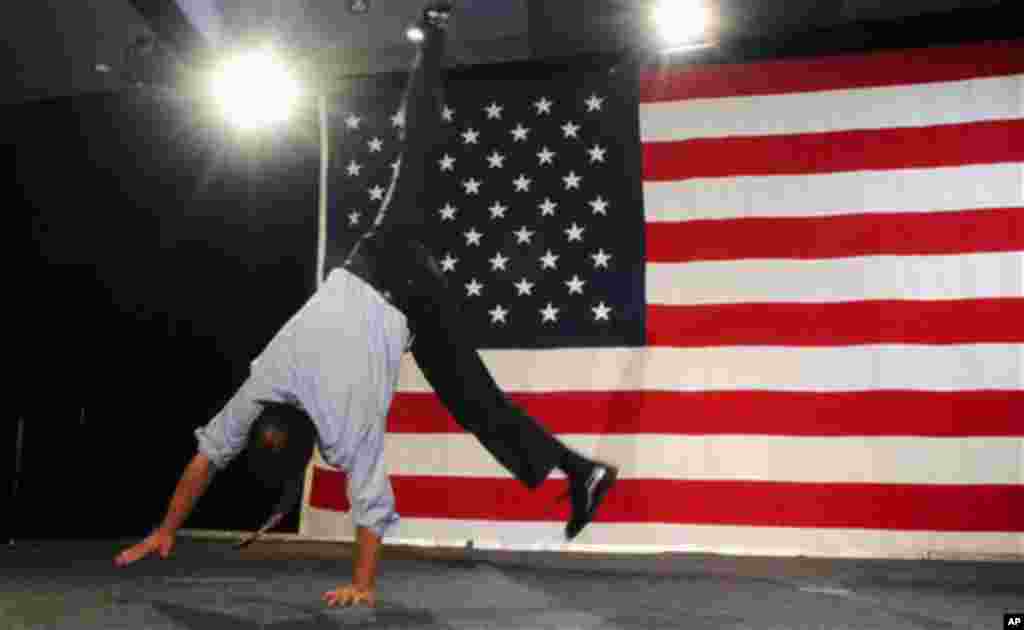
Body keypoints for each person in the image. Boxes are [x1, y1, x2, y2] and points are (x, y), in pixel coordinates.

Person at [114, 3, 618, 609]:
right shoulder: (266, 378)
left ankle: (433, 27)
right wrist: (167, 527)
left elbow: (365, 502)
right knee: (474, 400)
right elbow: (207, 456)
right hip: (401, 293)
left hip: (394, 262)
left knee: (418, 143)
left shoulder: (340, 420)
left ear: (309, 441)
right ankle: (577, 471)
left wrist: (363, 584)